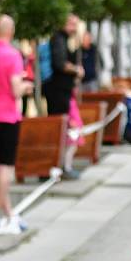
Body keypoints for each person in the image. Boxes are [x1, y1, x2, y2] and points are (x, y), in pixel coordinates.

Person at [0, 14, 32, 234]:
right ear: (11, 31)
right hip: (7, 117)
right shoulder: (12, 55)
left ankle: (7, 212)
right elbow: (15, 89)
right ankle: (7, 213)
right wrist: (27, 86)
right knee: (5, 167)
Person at [42, 13, 84, 180]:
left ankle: (61, 166)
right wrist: (76, 70)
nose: (74, 28)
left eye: (75, 24)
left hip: (63, 92)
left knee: (65, 128)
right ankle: (60, 167)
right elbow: (60, 63)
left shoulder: (64, 39)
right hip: (58, 92)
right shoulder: (58, 39)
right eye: (71, 24)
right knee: (64, 128)